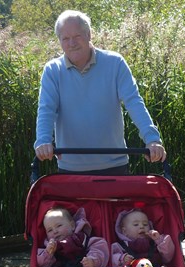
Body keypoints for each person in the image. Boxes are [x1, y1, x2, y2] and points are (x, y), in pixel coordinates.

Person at [34, 9, 167, 174]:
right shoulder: (52, 70)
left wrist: (152, 139)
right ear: (59, 41)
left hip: (115, 164)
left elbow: (134, 103)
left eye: (77, 36)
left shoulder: (115, 63)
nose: (72, 43)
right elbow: (47, 109)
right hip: (70, 168)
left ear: (89, 34)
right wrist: (43, 141)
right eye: (65, 39)